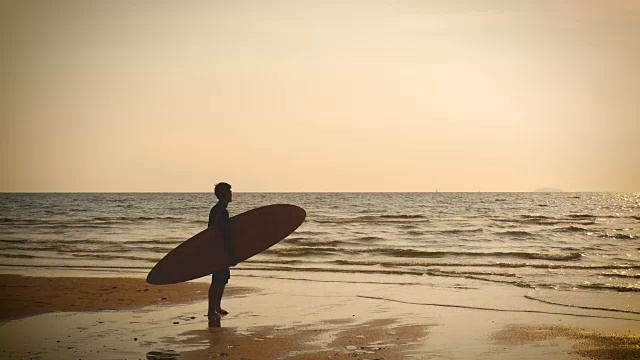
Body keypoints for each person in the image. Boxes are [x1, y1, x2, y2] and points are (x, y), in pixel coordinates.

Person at [208, 182, 236, 324]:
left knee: (222, 278)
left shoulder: (218, 210)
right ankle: (211, 310)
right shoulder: (220, 211)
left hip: (218, 248)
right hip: (219, 249)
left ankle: (216, 307)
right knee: (217, 279)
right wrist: (229, 251)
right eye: (229, 192)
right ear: (225, 194)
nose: (231, 194)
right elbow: (223, 233)